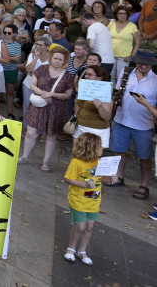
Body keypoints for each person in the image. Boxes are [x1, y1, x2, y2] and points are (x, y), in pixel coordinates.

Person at [106, 50, 157, 200]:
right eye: (140, 62)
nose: (143, 65)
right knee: (119, 151)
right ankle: (119, 177)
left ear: (151, 64)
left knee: (144, 156)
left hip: (143, 125)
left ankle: (144, 186)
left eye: (146, 63)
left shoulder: (155, 80)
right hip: (122, 120)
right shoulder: (126, 72)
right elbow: (117, 92)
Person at [20, 45, 75, 172]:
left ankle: (46, 162)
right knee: (30, 132)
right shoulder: (41, 69)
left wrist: (52, 95)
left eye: (60, 59)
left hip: (55, 109)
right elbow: (32, 84)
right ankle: (24, 156)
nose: (57, 61)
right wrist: (43, 94)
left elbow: (67, 95)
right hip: (38, 106)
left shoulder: (67, 76)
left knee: (51, 136)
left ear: (64, 61)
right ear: (51, 58)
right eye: (55, 58)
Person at [62, 133, 103, 266]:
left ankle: (82, 251)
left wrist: (112, 178)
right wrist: (84, 184)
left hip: (94, 201)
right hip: (78, 200)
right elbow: (68, 178)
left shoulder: (98, 162)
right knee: (80, 227)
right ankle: (71, 248)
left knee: (89, 227)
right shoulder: (76, 162)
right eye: (99, 146)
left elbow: (104, 177)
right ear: (91, 148)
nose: (102, 148)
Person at [72, 65, 113, 148]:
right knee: (77, 154)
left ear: (99, 78)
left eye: (90, 75)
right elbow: (78, 106)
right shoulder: (85, 89)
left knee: (93, 158)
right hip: (80, 127)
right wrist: (75, 118)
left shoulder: (105, 94)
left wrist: (100, 107)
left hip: (97, 130)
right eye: (86, 74)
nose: (86, 76)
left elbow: (107, 117)